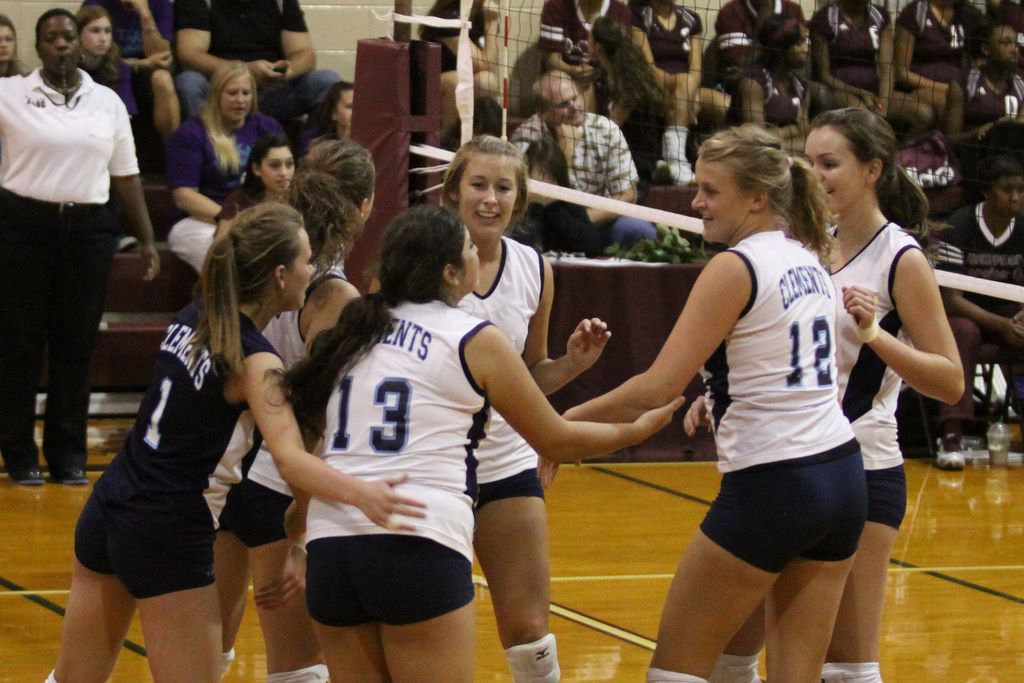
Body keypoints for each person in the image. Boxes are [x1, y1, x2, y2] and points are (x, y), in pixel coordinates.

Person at [281, 203, 681, 683]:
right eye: (469, 248)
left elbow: (308, 442)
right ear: (450, 273)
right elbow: (556, 439)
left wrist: (298, 531)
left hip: (332, 546)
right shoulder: (473, 337)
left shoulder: (353, 330)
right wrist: (637, 430)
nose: (478, 253)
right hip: (417, 539)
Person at [45, 203, 423, 683]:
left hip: (109, 505)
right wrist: (363, 494)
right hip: (167, 527)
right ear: (281, 276)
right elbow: (290, 459)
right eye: (307, 260)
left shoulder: (194, 315)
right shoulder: (256, 361)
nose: (313, 271)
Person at [565, 124, 868, 683]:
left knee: (675, 672)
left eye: (710, 190)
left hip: (775, 483)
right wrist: (720, 397)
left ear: (757, 198)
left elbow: (657, 386)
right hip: (843, 476)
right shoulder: (809, 258)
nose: (696, 203)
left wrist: (560, 425)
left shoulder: (735, 266)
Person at [705, 107, 964, 683]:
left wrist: (876, 336)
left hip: (864, 467)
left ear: (872, 170)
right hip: (786, 467)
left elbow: (950, 380)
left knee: (847, 668)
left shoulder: (900, 258)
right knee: (730, 656)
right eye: (809, 161)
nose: (814, 174)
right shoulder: (805, 245)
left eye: (830, 163)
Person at [441, 135, 615, 681]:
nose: (490, 199)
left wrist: (572, 365)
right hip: (433, 468)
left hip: (504, 462)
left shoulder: (535, 268)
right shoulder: (420, 261)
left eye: (503, 187)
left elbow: (529, 375)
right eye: (478, 185)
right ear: (453, 191)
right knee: (436, 636)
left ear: (520, 198)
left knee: (530, 635)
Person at [213, 139, 375, 681]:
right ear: (364, 206)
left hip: (228, 463)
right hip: (281, 483)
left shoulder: (268, 262)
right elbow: (314, 421)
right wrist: (303, 529)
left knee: (207, 649)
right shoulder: (335, 297)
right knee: (298, 665)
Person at [0, 8, 159, 487]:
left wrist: (147, 239)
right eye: (50, 37)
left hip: (88, 233)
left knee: (76, 345)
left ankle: (67, 454)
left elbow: (126, 175)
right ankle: (18, 453)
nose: (61, 44)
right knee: (20, 344)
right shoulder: (10, 93)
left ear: (80, 43)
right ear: (39, 46)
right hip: (23, 229)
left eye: (68, 36)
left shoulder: (107, 102)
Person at [933, 154, 1024, 469]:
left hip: (1007, 311)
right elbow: (950, 300)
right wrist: (1002, 325)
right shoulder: (958, 226)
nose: (1016, 197)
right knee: (963, 332)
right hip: (965, 312)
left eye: (1021, 190)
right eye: (1007, 190)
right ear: (987, 191)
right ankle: (951, 436)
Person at [511, 70, 657, 248]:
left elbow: (628, 195)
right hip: (548, 223)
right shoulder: (527, 136)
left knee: (641, 231)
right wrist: (566, 154)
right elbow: (529, 196)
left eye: (575, 98)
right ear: (544, 113)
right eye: (564, 104)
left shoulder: (606, 130)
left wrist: (582, 222)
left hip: (597, 220)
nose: (574, 107)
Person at [166, 61, 284, 272]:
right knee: (228, 255)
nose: (240, 100)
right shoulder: (191, 133)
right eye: (232, 93)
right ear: (216, 95)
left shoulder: (266, 127)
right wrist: (230, 218)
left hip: (259, 217)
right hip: (204, 221)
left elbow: (285, 176)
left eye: (246, 93)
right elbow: (184, 195)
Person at [174, 0, 340, 123]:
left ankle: (315, 152)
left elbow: (306, 54)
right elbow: (189, 54)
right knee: (189, 83)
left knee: (326, 80)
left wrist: (286, 71)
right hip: (220, 90)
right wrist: (243, 71)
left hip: (271, 90)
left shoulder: (281, 2)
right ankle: (207, 148)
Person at [628, 0, 731, 174]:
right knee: (684, 83)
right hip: (653, 86)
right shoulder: (638, 14)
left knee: (725, 104)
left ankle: (712, 160)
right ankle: (675, 160)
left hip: (689, 88)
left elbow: (696, 69)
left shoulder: (691, 18)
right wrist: (682, 88)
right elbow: (648, 68)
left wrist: (688, 94)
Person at [808, 0, 932, 136]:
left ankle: (901, 150)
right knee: (865, 117)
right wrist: (860, 92)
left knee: (923, 114)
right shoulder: (825, 17)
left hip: (874, 92)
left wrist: (883, 103)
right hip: (838, 91)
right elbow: (824, 75)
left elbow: (887, 68)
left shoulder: (879, 15)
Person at [589, 15, 677, 186]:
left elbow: (612, 126)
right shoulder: (600, 77)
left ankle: (654, 169)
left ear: (597, 46)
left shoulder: (628, 81)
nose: (586, 43)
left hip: (637, 154)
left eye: (589, 38)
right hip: (619, 150)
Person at [80, 0, 178, 142]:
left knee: (162, 78)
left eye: (107, 31)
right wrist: (143, 63)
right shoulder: (95, 4)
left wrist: (145, 14)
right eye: (97, 32)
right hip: (111, 67)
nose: (103, 37)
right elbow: (98, 58)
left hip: (143, 74)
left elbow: (163, 59)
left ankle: (172, 147)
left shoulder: (160, 4)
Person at [894, 0, 984, 131]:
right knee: (947, 104)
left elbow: (977, 61)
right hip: (918, 89)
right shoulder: (913, 14)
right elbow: (901, 74)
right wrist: (947, 88)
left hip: (958, 88)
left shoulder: (967, 15)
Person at [538, 0, 633, 111]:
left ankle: (604, 121)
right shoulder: (556, 7)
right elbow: (550, 58)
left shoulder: (620, 12)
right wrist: (573, 70)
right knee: (558, 80)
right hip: (566, 79)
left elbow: (620, 63)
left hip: (605, 82)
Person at [736, 15, 811, 156]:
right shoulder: (754, 81)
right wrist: (790, 130)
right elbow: (756, 141)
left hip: (789, 156)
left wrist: (776, 135)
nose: (806, 49)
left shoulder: (801, 86)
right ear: (781, 48)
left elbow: (806, 140)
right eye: (800, 42)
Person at [420, 0, 500, 133]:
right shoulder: (447, 17)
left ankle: (482, 136)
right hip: (429, 87)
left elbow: (489, 68)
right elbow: (484, 65)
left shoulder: (481, 15)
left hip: (462, 81)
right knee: (457, 81)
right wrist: (491, 24)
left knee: (487, 81)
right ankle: (445, 138)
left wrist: (491, 23)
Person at [943, 22, 1024, 145]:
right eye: (1006, 43)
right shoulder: (964, 83)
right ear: (986, 49)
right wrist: (980, 132)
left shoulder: (1021, 84)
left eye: (1016, 44)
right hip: (972, 152)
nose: (1014, 50)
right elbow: (950, 140)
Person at [524, 135, 604, 256]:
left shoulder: (569, 204)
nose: (545, 189)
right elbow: (527, 246)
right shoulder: (518, 207)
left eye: (551, 181)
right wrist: (536, 206)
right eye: (539, 181)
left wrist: (553, 208)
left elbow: (593, 247)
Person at [713, 0, 805, 91]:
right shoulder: (731, 11)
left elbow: (803, 65)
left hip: (786, 85)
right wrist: (765, 9)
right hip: (743, 90)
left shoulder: (793, 10)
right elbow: (747, 69)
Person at [215, 133, 295, 232]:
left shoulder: (302, 200)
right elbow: (222, 240)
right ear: (256, 169)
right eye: (274, 165)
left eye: (289, 164)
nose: (284, 172)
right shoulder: (240, 201)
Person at [76, 7, 137, 118]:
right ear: (78, 34)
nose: (103, 38)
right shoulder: (68, 67)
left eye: (108, 31)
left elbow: (126, 114)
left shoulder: (120, 67)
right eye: (95, 31)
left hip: (109, 125)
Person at [299, 79, 353, 155]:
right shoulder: (313, 140)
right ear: (333, 112)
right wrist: (346, 143)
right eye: (350, 106)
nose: (357, 111)